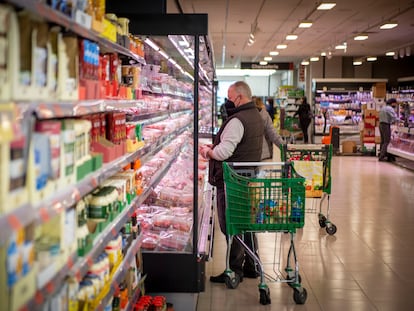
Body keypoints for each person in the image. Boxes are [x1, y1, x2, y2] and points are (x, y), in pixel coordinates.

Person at [199, 81, 264, 283]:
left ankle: (234, 270)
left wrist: (209, 151)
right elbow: (238, 144)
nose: (228, 101)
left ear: (240, 97)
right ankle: (252, 265)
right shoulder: (256, 115)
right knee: (246, 222)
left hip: (233, 179)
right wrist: (217, 144)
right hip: (247, 176)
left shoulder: (237, 120)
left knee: (232, 225)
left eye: (229, 97)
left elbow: (225, 152)